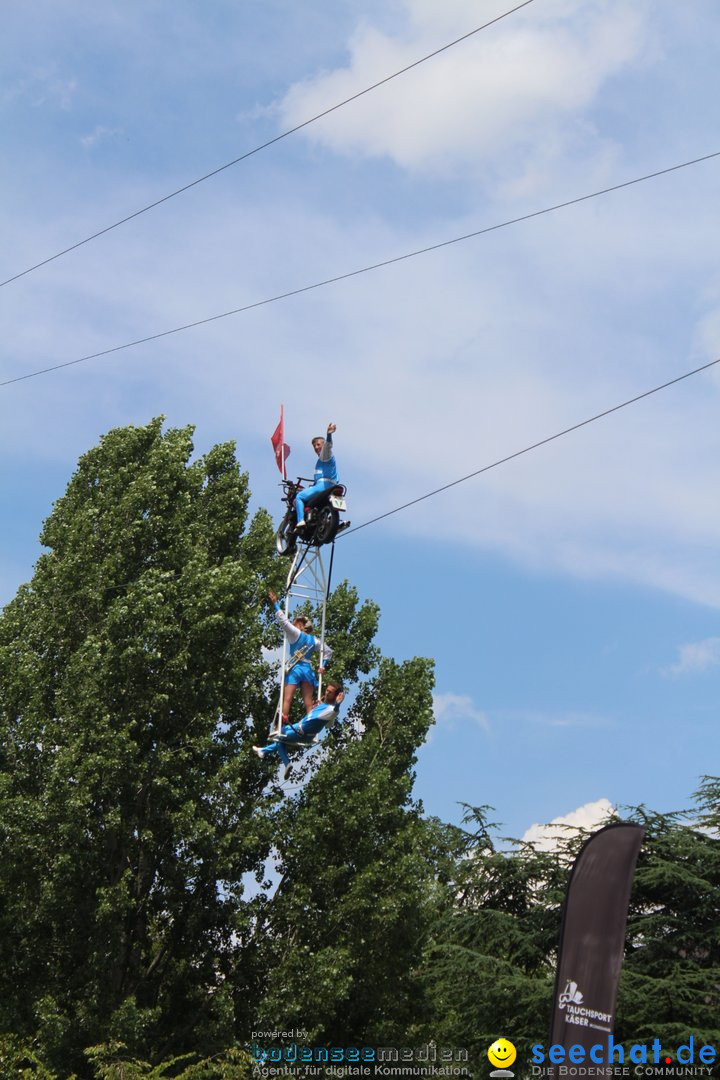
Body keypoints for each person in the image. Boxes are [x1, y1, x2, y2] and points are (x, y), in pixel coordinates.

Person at [253, 681, 345, 780]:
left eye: (330, 692)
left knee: (278, 737)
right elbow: (329, 725)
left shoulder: (330, 710)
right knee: (281, 732)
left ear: (335, 696)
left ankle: (287, 764)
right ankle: (262, 751)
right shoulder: (323, 705)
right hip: (298, 728)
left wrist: (338, 704)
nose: (326, 693)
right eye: (327, 690)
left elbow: (334, 711)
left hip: (302, 733)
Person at [269, 589, 332, 720]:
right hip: (307, 671)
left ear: (300, 624)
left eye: (296, 621)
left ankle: (281, 723)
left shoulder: (296, 633)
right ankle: (310, 724)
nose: (293, 622)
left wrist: (275, 603)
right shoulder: (314, 640)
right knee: (308, 703)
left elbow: (283, 621)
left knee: (287, 699)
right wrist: (323, 665)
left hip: (296, 669)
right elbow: (328, 651)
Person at [295, 422, 338, 532]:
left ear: (323, 445)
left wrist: (329, 434)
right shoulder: (321, 461)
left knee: (299, 497)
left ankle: (300, 521)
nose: (316, 447)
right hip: (331, 486)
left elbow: (328, 447)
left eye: (318, 444)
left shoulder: (325, 456)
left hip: (324, 486)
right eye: (314, 445)